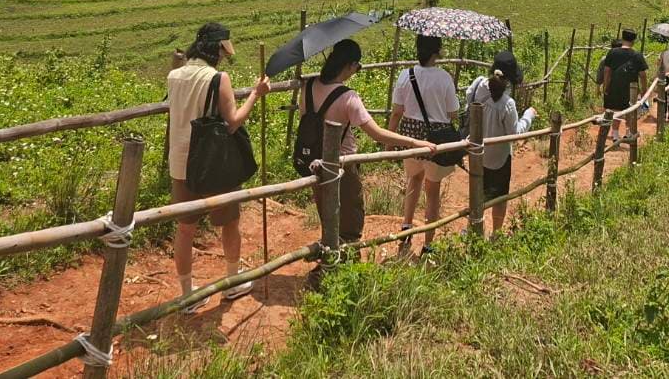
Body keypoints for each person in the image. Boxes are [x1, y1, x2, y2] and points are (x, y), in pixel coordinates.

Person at [166, 23, 269, 310]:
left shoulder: (174, 76)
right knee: (229, 223)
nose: (224, 57)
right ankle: (232, 282)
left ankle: (187, 295)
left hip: (181, 162)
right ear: (217, 49)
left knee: (185, 230)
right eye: (223, 51)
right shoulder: (218, 78)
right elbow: (233, 122)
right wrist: (255, 94)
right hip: (212, 163)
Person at [300, 38, 430, 245]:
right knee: (350, 218)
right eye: (357, 66)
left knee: (327, 213)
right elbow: (377, 134)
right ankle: (345, 264)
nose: (356, 70)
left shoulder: (308, 86)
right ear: (350, 65)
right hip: (344, 163)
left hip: (315, 161)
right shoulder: (347, 97)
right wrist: (415, 143)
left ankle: (329, 256)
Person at [390, 34, 460, 253]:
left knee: (413, 180)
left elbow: (397, 112)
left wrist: (389, 139)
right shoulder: (444, 78)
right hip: (436, 140)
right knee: (433, 191)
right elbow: (454, 113)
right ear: (436, 51)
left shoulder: (406, 74)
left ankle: (406, 227)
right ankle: (428, 243)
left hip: (410, 137)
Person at [464, 52, 537, 235]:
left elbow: (467, 101)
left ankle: (473, 231)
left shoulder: (478, 87)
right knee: (499, 197)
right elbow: (514, 134)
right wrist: (529, 115)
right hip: (499, 159)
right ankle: (496, 234)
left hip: (477, 154)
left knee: (477, 193)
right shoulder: (508, 104)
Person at [598, 29, 647, 150]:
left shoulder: (612, 53)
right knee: (630, 111)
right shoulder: (637, 55)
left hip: (614, 86)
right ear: (634, 40)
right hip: (631, 88)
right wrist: (644, 91)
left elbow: (607, 71)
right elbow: (643, 75)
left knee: (614, 111)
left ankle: (614, 135)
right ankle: (628, 133)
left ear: (622, 38)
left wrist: (606, 86)